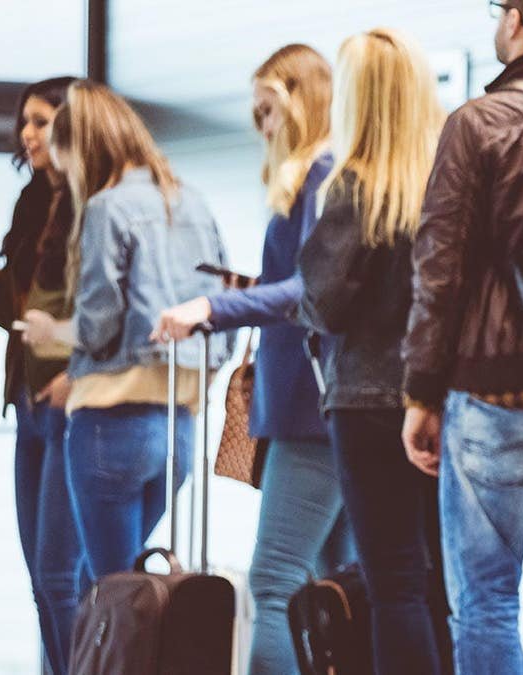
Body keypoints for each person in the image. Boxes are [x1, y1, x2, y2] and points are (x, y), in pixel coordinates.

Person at [400, 1, 523, 672]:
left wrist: (421, 391)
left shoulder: (476, 124)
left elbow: (440, 265)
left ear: (514, 20)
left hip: (492, 387)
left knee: (486, 598)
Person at [153, 44, 354, 675]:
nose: (261, 126)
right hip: (323, 408)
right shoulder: (328, 178)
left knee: (274, 582)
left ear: (300, 103)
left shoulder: (320, 177)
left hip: (310, 410)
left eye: (268, 110)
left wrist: (213, 308)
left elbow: (309, 289)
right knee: (334, 586)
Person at [20, 80, 232, 580]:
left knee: (102, 592)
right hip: (178, 426)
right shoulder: (192, 201)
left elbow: (97, 327)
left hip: (109, 421)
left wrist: (53, 331)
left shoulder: (106, 207)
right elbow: (224, 309)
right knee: (133, 592)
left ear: (81, 149)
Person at [297, 27, 450, 674]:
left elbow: (322, 302)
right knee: (444, 586)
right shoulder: (449, 183)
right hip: (443, 396)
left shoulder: (354, 187)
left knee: (393, 584)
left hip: (366, 400)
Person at [0, 76, 86, 675]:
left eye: (41, 121)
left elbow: (105, 313)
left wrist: (82, 373)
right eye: (26, 121)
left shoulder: (95, 203)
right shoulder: (27, 204)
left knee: (64, 577)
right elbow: (20, 321)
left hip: (76, 404)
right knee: (42, 582)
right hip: (27, 400)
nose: (27, 132)